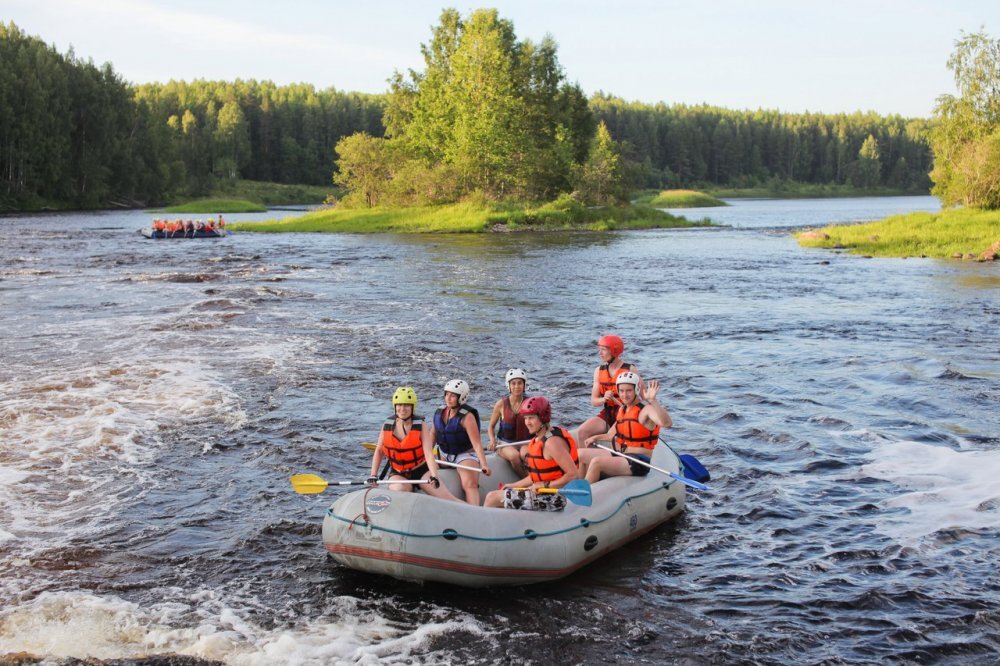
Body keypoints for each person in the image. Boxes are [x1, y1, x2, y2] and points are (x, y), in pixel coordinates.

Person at [484, 396, 580, 509]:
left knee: (492, 498)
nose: (527, 422)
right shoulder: (538, 439)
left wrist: (545, 485)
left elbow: (573, 475)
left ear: (542, 418)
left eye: (531, 418)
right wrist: (514, 486)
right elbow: (536, 475)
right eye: (525, 418)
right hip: (545, 493)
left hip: (556, 497)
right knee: (500, 495)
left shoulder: (552, 443)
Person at [366, 386, 459, 500]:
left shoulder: (421, 425)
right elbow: (379, 451)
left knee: (447, 498)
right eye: (399, 405)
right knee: (399, 489)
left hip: (421, 470)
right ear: (395, 406)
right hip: (398, 473)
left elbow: (428, 453)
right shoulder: (387, 425)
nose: (402, 409)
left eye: (406, 405)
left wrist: (434, 475)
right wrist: (373, 475)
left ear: (412, 407)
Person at [579, 372, 672, 483]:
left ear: (636, 390)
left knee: (596, 462)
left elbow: (667, 423)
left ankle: (583, 495)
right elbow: (610, 435)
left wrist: (653, 401)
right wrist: (595, 438)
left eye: (629, 391)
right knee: (579, 454)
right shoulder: (623, 410)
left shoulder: (646, 410)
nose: (624, 395)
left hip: (638, 462)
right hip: (622, 454)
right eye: (622, 391)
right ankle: (580, 486)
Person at [427, 379, 491, 505]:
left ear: (461, 397)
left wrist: (484, 464)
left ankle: (474, 513)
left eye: (453, 396)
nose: (448, 398)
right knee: (423, 468)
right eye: (447, 394)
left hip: (465, 456)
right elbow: (433, 434)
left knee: (469, 485)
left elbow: (477, 444)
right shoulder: (440, 413)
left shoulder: (467, 417)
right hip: (444, 455)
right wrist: (424, 454)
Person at [575, 334, 642, 446]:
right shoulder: (598, 371)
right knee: (582, 432)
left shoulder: (630, 370)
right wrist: (604, 399)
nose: (600, 353)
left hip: (626, 413)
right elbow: (594, 401)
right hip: (608, 412)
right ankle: (585, 461)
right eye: (599, 349)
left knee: (614, 440)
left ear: (614, 351)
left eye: (603, 350)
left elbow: (643, 396)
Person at [487, 368, 531, 476]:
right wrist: (492, 440)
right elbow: (491, 427)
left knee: (526, 455)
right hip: (504, 443)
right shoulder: (501, 404)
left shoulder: (530, 403)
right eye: (513, 383)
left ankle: (536, 476)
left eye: (520, 383)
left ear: (524, 385)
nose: (517, 386)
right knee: (514, 456)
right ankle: (526, 480)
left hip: (524, 442)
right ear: (509, 386)